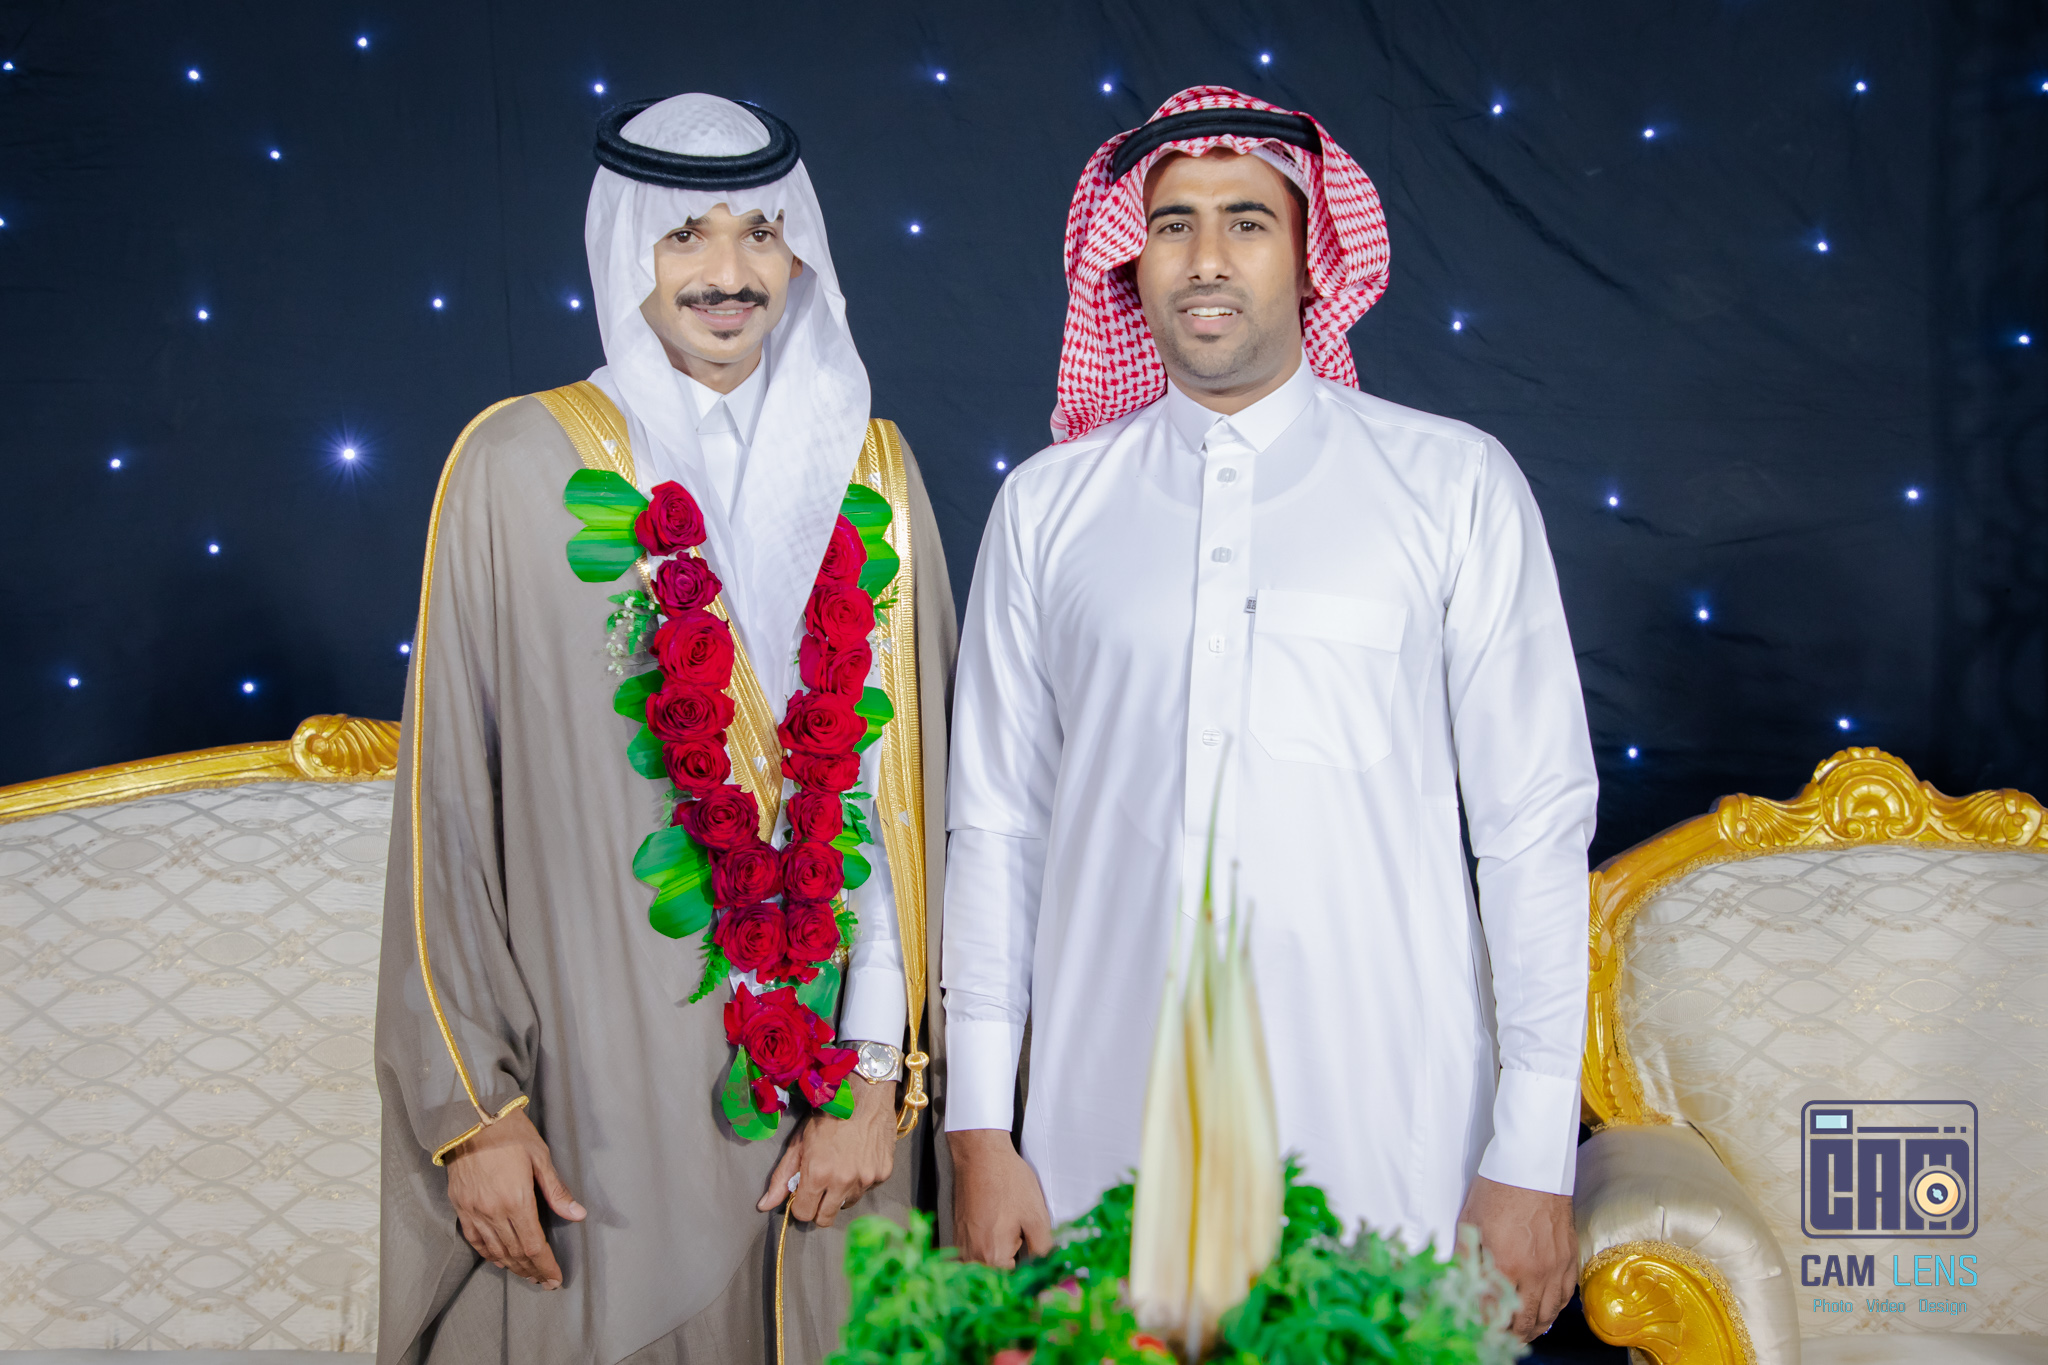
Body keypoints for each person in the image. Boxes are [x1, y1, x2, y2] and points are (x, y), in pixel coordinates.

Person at [941, 86, 1596, 1343]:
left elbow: (1530, 830)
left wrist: (1530, 1152)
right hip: (1102, 1136)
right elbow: (997, 831)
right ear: (1127, 261)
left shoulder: (1451, 483)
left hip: (1390, 1137)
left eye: (1245, 221)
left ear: (1310, 255)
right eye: (1170, 223)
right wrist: (980, 1128)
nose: (1204, 258)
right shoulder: (1046, 508)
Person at [375, 93, 955, 1365]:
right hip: (592, 1123)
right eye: (685, 235)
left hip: (837, 1128)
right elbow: (446, 820)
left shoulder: (874, 475)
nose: (728, 273)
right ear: (622, 247)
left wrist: (874, 1079)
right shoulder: (515, 468)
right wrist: (475, 1116)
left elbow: (905, 811)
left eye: (760, 233)